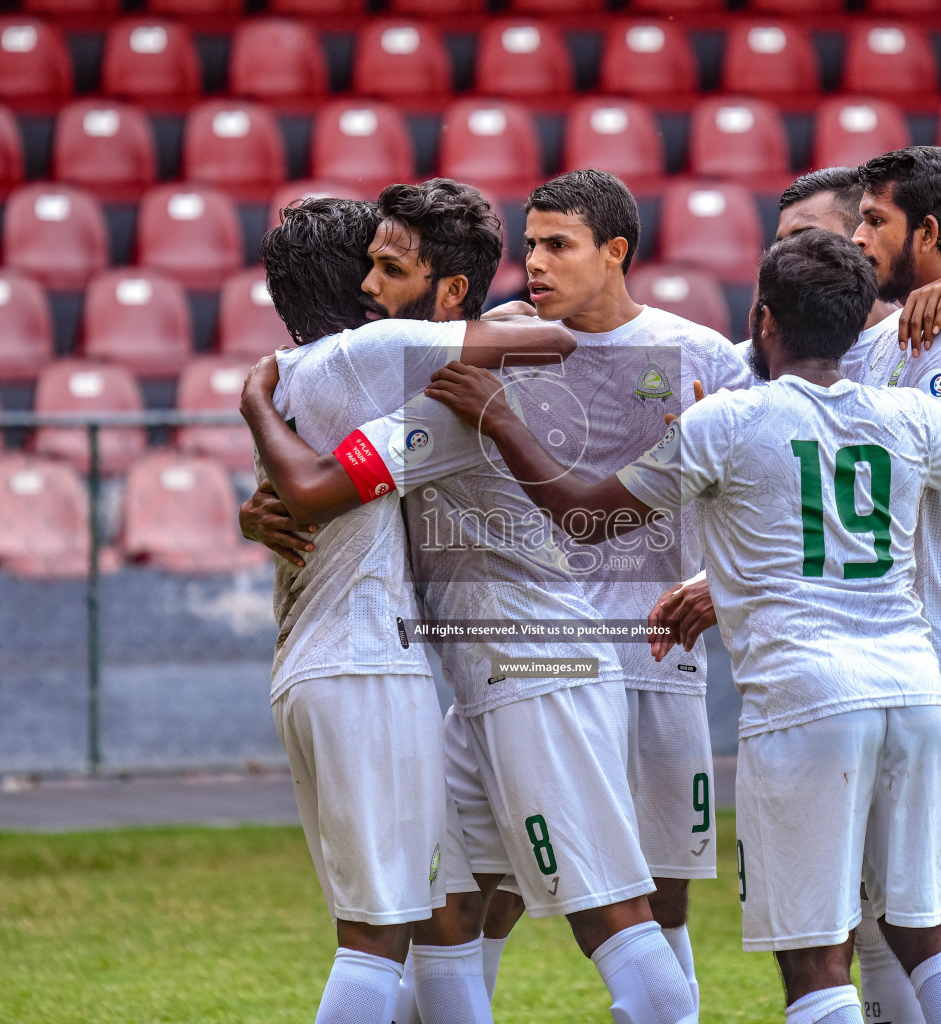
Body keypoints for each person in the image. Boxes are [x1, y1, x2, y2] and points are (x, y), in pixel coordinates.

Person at [422, 227, 941, 1024]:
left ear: (763, 319)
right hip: (914, 693)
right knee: (928, 928)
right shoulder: (905, 417)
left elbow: (581, 517)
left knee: (816, 959)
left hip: (805, 699)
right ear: (855, 327)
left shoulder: (730, 423)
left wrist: (503, 418)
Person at [245, 179, 698, 1024]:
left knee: (608, 914)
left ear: (449, 296)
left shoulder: (451, 399)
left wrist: (260, 421)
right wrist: (257, 506)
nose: (367, 289)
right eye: (367, 267)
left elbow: (322, 485)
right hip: (482, 684)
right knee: (445, 913)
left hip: (542, 670)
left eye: (389, 269)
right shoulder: (418, 376)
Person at [655, 154, 941, 1024]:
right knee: (903, 917)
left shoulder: (938, 336)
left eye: (843, 231)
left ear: (907, 233)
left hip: (932, 646)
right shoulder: (859, 348)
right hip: (897, 654)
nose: (837, 249)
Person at [464, 170, 750, 1011]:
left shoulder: (700, 356)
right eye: (530, 247)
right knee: (493, 880)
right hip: (532, 660)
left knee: (663, 886)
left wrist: (713, 583)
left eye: (558, 245)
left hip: (654, 655)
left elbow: (763, 484)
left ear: (615, 252)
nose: (536, 265)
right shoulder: (499, 344)